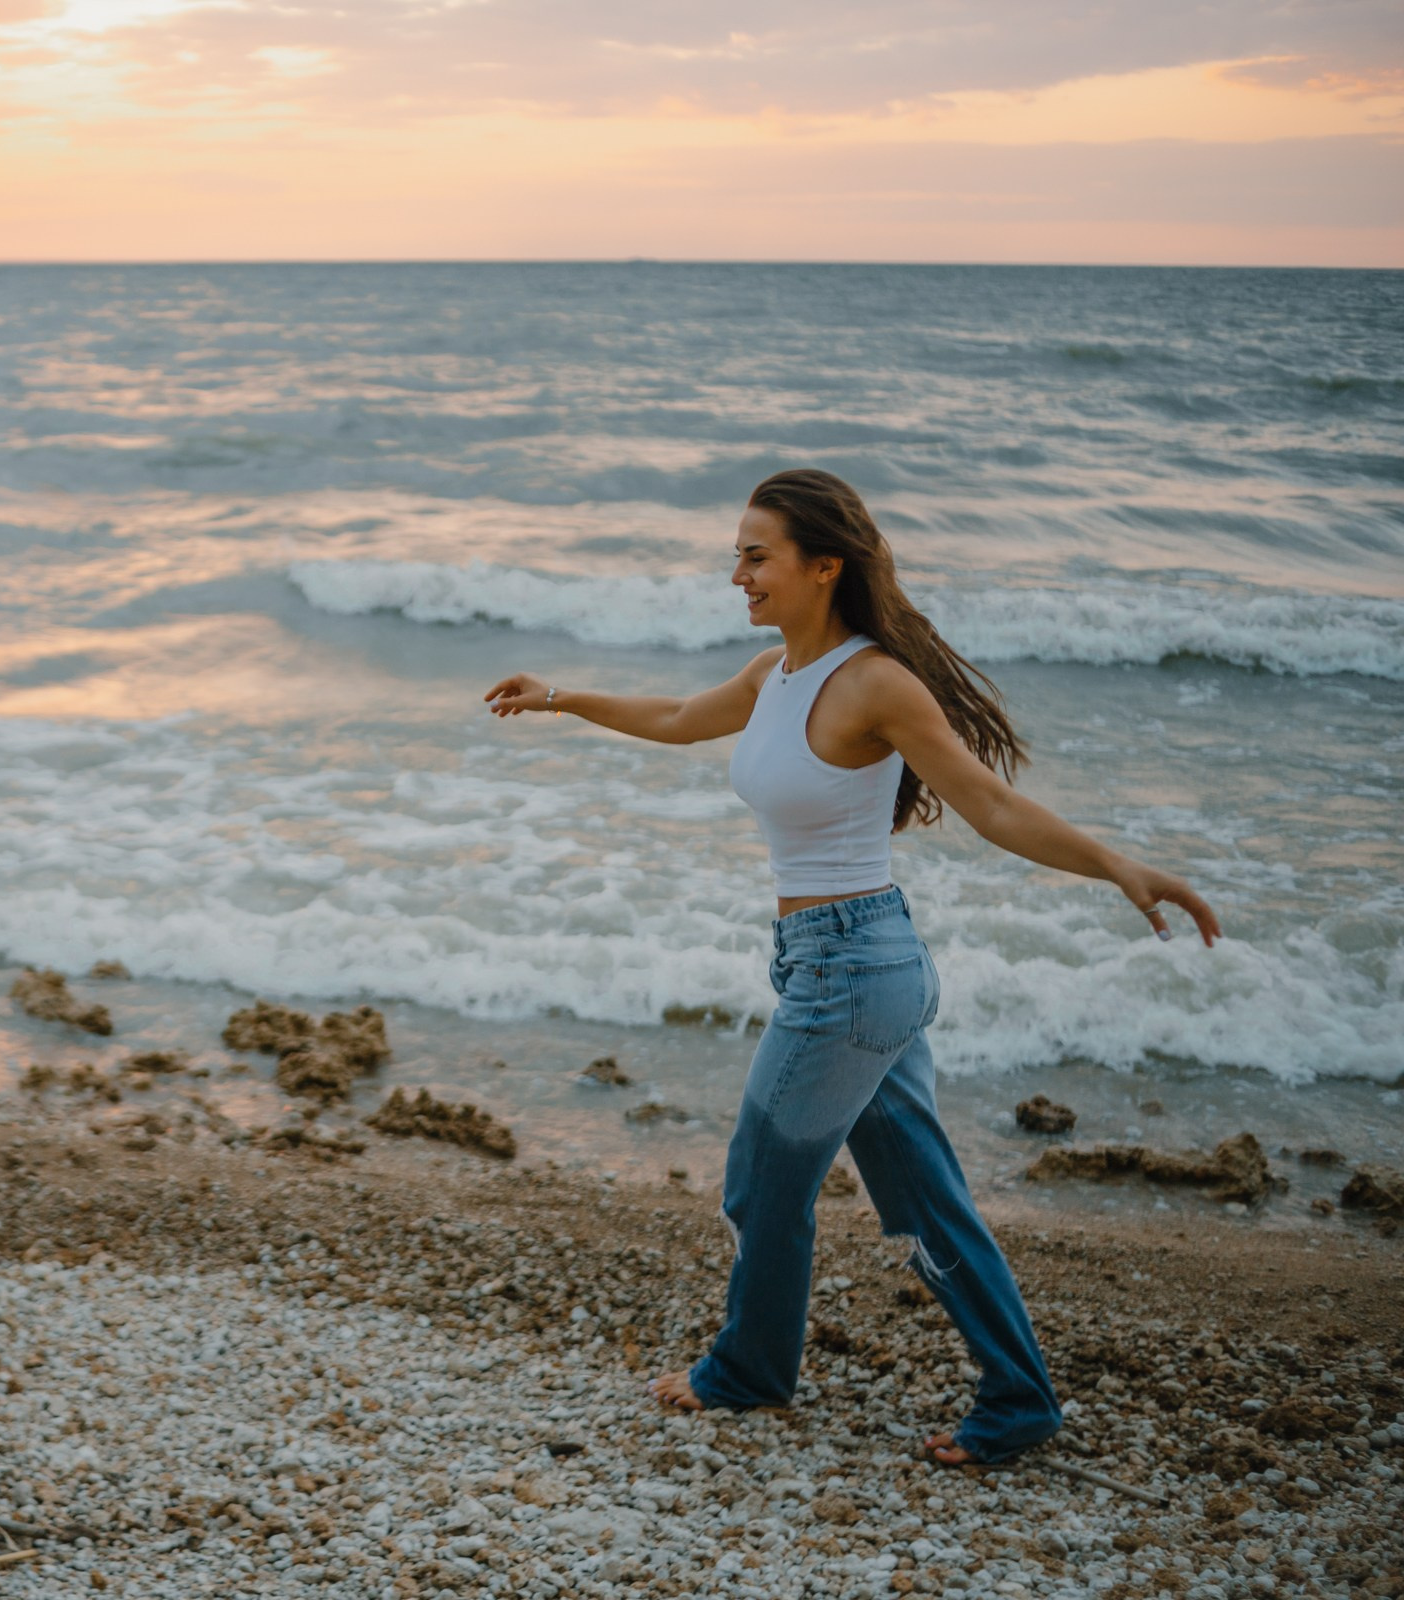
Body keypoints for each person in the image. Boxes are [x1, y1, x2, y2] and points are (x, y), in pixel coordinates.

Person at [482, 468, 1220, 1465]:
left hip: (853, 976)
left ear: (823, 565)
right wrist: (560, 696)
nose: (737, 573)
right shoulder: (773, 674)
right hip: (839, 968)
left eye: (757, 555)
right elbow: (676, 714)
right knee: (921, 1202)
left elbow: (990, 804)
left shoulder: (875, 682)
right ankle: (1018, 1398)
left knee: (760, 1183)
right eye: (735, 555)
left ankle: (748, 1373)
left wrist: (1119, 867)